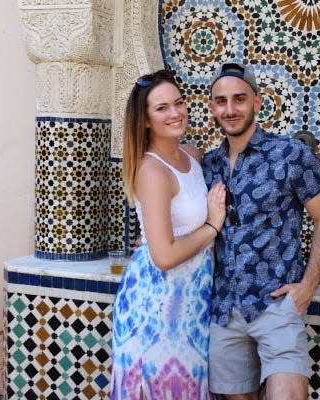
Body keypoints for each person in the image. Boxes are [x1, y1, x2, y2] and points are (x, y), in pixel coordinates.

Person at [202, 62, 320, 399]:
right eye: (221, 101)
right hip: (224, 310)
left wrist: (307, 287)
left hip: (275, 307)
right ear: (212, 108)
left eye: (239, 99)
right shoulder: (207, 164)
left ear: (257, 102)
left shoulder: (290, 154)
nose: (230, 109)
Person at [110, 69, 226, 399]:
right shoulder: (152, 170)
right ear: (145, 120)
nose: (175, 112)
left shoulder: (192, 155)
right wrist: (212, 227)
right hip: (156, 307)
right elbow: (163, 256)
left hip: (191, 301)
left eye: (178, 102)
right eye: (161, 108)